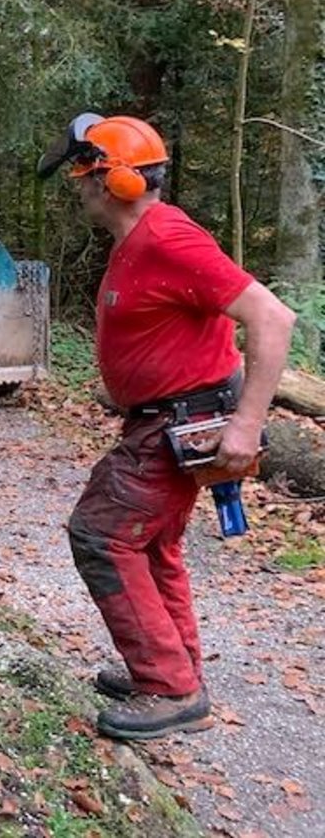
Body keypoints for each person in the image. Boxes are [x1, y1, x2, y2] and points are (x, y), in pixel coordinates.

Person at [37, 112, 297, 740]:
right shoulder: (142, 240)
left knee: (99, 534)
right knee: (151, 544)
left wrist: (245, 426)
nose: (78, 185)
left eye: (84, 173)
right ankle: (176, 670)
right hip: (157, 421)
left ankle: (169, 687)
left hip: (180, 422)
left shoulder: (167, 238)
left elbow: (272, 319)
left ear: (114, 181)